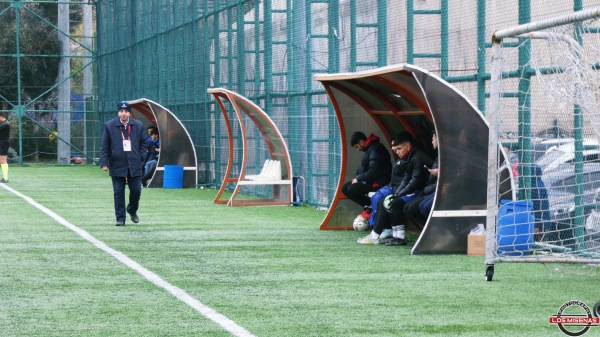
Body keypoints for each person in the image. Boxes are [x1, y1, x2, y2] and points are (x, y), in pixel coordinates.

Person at [358, 131, 429, 245]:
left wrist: (399, 194)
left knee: (393, 202)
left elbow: (416, 181)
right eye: (395, 150)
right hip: (416, 189)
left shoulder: (417, 158)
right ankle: (384, 236)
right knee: (384, 202)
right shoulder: (408, 157)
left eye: (399, 149)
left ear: (408, 146)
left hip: (422, 191)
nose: (397, 152)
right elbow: (407, 178)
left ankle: (396, 237)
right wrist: (398, 193)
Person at [99, 101, 148, 226]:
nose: (123, 114)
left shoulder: (138, 125)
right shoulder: (110, 126)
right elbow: (105, 146)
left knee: (136, 190)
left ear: (129, 113)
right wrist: (104, 162)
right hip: (117, 164)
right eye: (121, 111)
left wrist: (141, 157)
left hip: (135, 164)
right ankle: (120, 219)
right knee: (118, 192)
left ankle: (132, 209)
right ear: (118, 112)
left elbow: (144, 143)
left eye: (126, 111)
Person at [341, 131, 392, 221]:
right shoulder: (370, 149)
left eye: (357, 146)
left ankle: (370, 207)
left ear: (361, 142)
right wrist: (358, 177)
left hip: (379, 182)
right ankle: (368, 206)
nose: (357, 149)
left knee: (352, 189)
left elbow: (375, 171)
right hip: (372, 180)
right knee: (345, 188)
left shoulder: (375, 149)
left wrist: (359, 178)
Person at [404, 131, 439, 225]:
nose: (432, 141)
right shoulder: (439, 155)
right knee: (408, 208)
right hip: (429, 190)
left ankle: (436, 231)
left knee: (423, 207)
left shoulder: (417, 158)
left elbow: (416, 180)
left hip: (436, 191)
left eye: (433, 138)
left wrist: (439, 173)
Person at [0, 112, 10, 183]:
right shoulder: (3, 124)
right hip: (2, 143)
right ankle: (4, 178)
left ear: (1, 116)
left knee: (3, 160)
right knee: (1, 160)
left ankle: (5, 178)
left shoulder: (5, 124)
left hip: (3, 143)